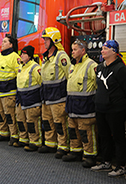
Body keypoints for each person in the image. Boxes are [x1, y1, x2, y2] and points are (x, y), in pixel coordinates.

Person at [91, 40, 126, 177]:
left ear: (114, 51)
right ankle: (106, 161)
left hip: (116, 110)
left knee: (118, 137)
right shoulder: (100, 67)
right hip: (101, 108)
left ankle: (121, 165)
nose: (102, 51)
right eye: (102, 48)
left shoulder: (121, 69)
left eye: (105, 49)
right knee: (104, 136)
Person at [62, 40, 98, 168]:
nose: (72, 52)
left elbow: (98, 84)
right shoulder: (73, 66)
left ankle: (90, 155)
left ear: (83, 51)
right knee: (73, 131)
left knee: (86, 132)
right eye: (72, 49)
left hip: (85, 107)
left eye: (75, 49)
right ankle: (75, 152)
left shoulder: (91, 65)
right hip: (72, 106)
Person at [39, 27, 71, 159]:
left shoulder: (61, 56)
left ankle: (63, 146)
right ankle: (50, 143)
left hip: (58, 96)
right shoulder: (46, 57)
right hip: (46, 96)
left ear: (54, 40)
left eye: (46, 39)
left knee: (59, 122)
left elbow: (69, 74)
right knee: (47, 121)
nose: (44, 42)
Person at [0, 35, 20, 146]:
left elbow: (19, 73)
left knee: (10, 115)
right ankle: (4, 133)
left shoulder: (15, 57)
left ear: (11, 44)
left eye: (5, 42)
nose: (2, 43)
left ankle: (14, 135)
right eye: (2, 41)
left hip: (9, 91)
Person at [16, 46, 42, 150]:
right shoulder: (21, 67)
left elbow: (41, 83)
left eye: (24, 54)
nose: (21, 55)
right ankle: (23, 139)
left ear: (30, 56)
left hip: (32, 100)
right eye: (21, 53)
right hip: (21, 99)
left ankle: (35, 142)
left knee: (32, 122)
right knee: (21, 120)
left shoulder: (35, 68)